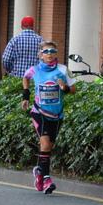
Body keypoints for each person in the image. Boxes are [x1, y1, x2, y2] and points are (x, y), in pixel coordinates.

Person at [22, 41, 76, 195]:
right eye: (46, 52)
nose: (49, 54)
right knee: (45, 144)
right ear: (40, 54)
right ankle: (46, 179)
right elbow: (25, 78)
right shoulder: (35, 70)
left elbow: (74, 89)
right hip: (39, 113)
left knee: (48, 147)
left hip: (57, 114)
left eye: (52, 51)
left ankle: (39, 172)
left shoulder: (63, 70)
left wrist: (64, 87)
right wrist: (25, 96)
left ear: (56, 53)